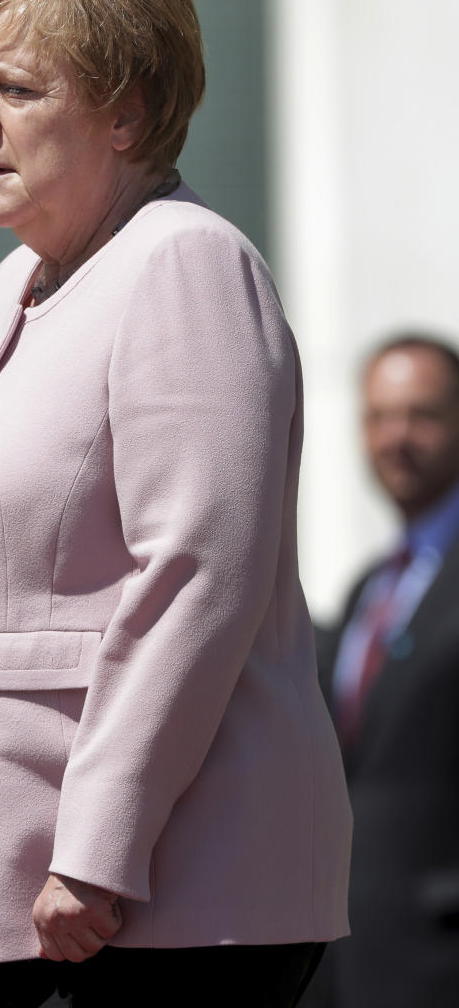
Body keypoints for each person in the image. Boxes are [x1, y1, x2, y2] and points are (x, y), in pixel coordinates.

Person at [0, 0, 352, 1008]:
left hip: (156, 899)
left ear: (126, 112)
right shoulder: (17, 287)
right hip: (22, 900)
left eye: (17, 86)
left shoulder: (185, 260)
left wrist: (97, 849)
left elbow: (196, 574)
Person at [311, 335, 459, 1008]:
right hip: (347, 966)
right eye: (378, 416)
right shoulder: (371, 588)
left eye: (422, 414)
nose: (396, 436)